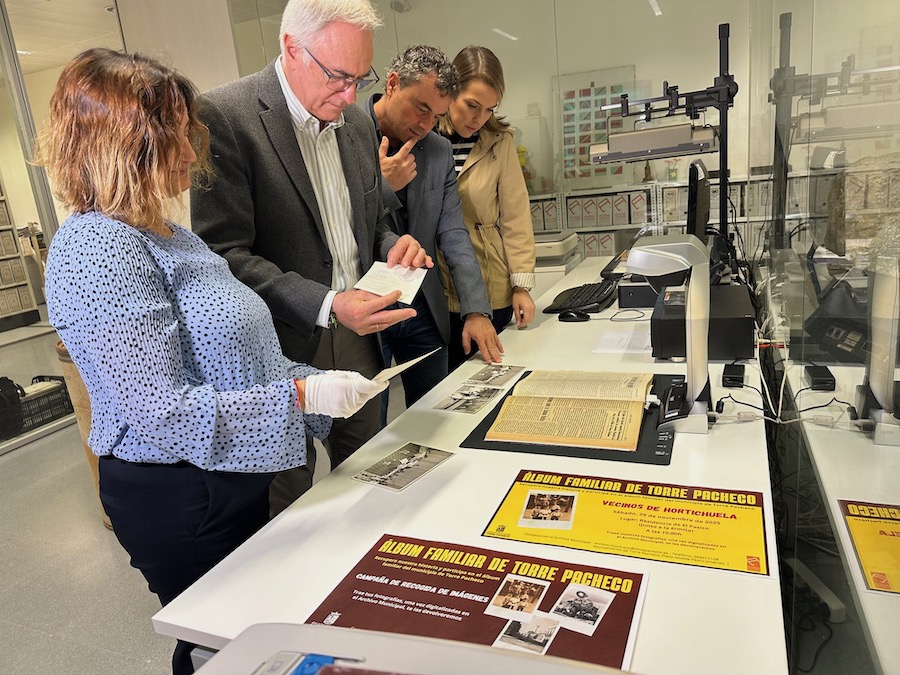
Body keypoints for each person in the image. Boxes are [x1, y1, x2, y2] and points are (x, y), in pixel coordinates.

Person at [38, 48, 387, 675]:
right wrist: (301, 400)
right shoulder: (96, 247)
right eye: (176, 135)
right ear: (125, 143)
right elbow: (157, 413)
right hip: (180, 494)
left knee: (262, 640)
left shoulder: (173, 234)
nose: (192, 153)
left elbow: (239, 358)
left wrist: (314, 380)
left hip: (231, 476)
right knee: (221, 646)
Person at [190, 0, 431, 514]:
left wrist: (395, 247)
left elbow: (373, 223)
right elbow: (223, 254)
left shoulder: (360, 127)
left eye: (360, 80)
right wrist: (326, 303)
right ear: (291, 48)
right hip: (280, 351)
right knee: (287, 500)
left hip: (361, 340)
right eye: (338, 77)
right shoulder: (226, 118)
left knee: (372, 476)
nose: (349, 96)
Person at [368, 44, 504, 414]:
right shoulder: (346, 135)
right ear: (392, 84)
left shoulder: (439, 149)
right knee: (368, 430)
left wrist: (477, 309)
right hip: (365, 306)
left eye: (437, 114)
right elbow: (344, 224)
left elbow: (453, 233)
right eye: (421, 107)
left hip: (423, 305)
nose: (426, 123)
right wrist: (383, 187)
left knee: (437, 416)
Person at [436, 46, 537, 371]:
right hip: (437, 288)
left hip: (490, 285)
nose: (479, 118)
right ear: (450, 92)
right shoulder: (425, 137)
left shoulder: (499, 142)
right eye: (471, 105)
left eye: (489, 109)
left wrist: (521, 285)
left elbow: (516, 217)